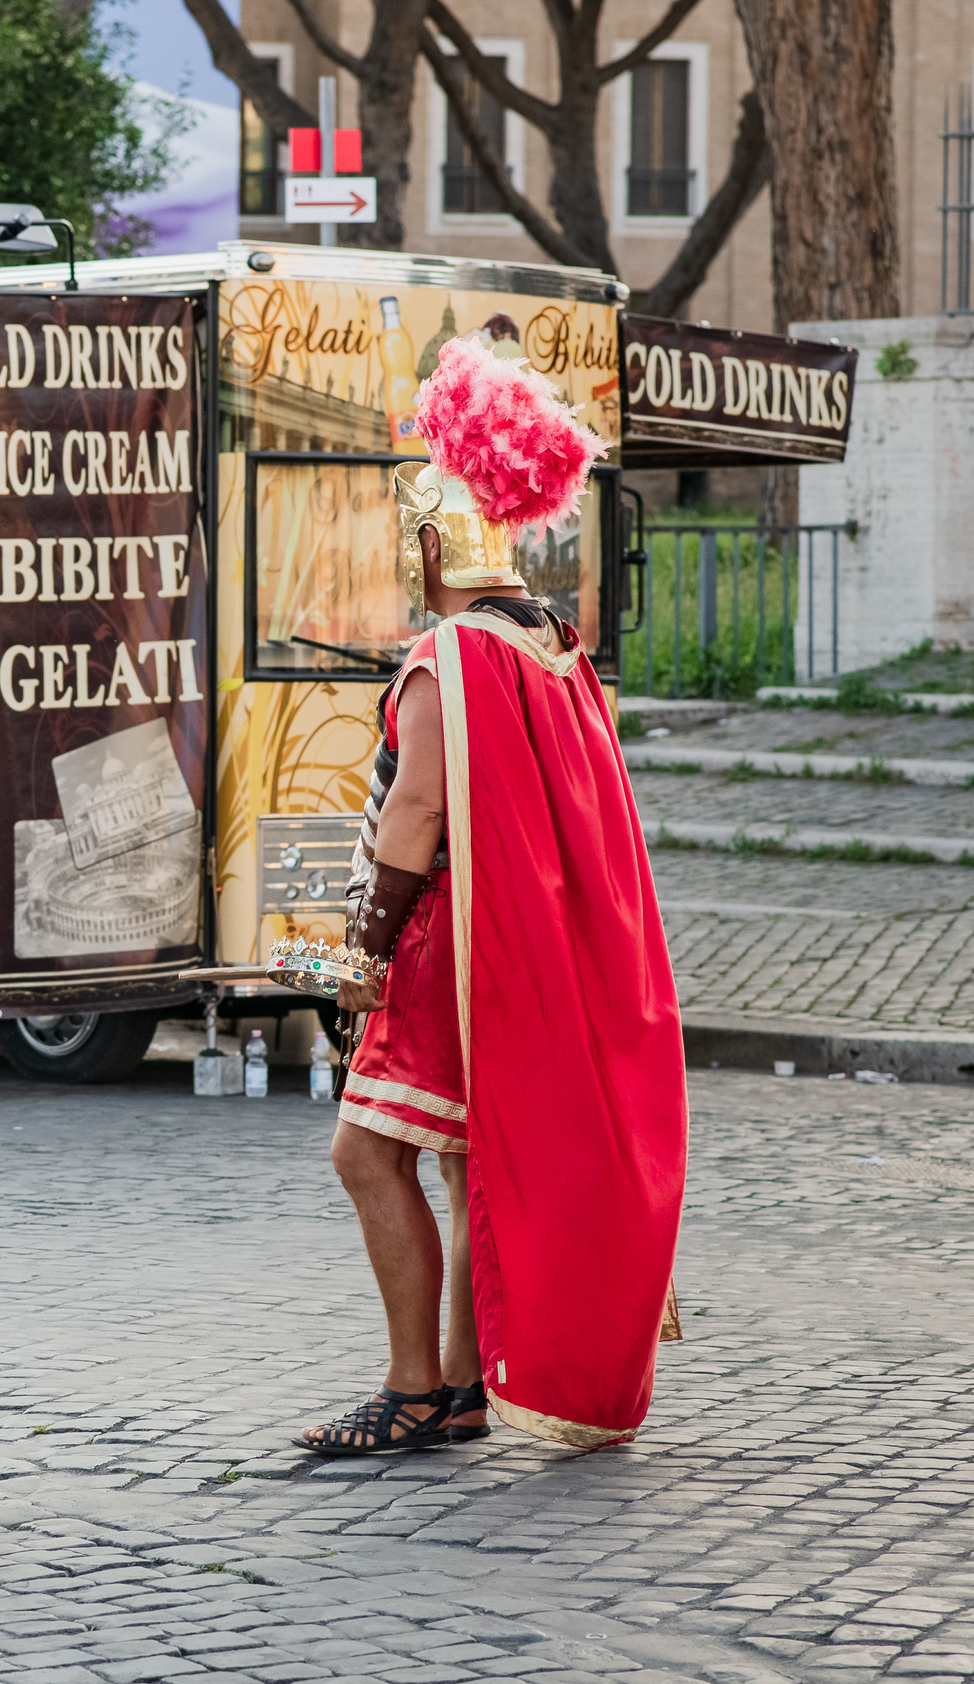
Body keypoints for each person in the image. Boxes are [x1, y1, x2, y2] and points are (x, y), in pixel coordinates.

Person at [292, 336, 686, 1456]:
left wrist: (355, 960)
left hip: (439, 950)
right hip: (516, 951)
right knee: (468, 1161)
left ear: (437, 533)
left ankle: (414, 1386)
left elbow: (413, 819)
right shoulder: (555, 642)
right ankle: (464, 1382)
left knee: (366, 1154)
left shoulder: (453, 651)